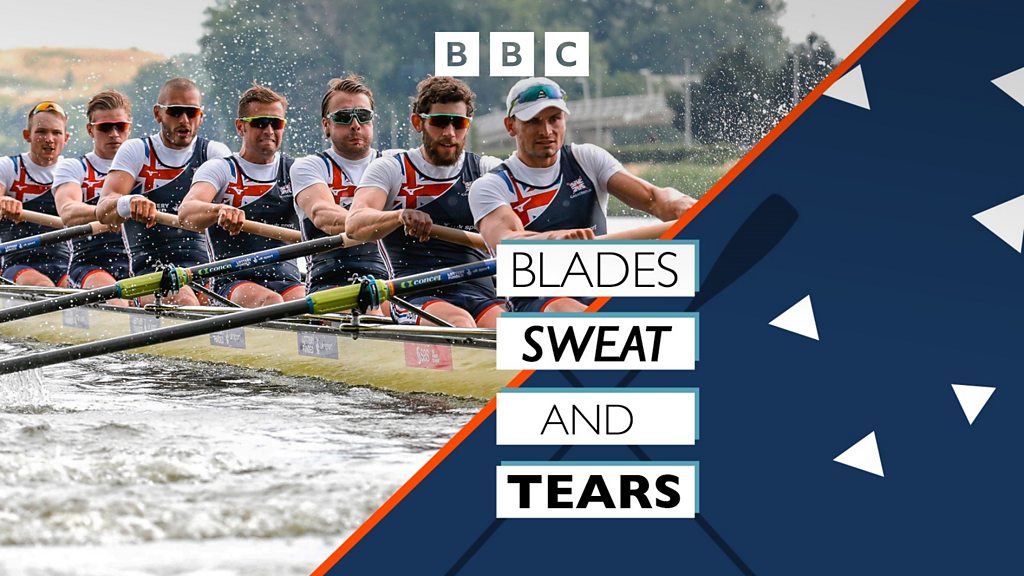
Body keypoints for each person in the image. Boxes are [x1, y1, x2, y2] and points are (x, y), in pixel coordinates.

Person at [469, 77, 697, 313]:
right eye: (534, 121)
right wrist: (554, 239)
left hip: (598, 287)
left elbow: (655, 199)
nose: (546, 131)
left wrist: (684, 206)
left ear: (564, 120)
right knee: (567, 307)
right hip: (539, 299)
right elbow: (507, 241)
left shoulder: (587, 159)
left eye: (554, 119)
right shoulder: (491, 186)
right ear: (510, 126)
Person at [347, 76, 504, 328]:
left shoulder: (486, 170)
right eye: (440, 122)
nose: (449, 133)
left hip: (481, 294)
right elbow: (354, 224)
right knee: (460, 323)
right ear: (417, 122)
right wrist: (399, 216)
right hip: (415, 295)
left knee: (507, 328)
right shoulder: (391, 169)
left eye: (459, 123)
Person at [96, 77, 231, 306]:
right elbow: (104, 210)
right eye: (175, 112)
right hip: (151, 271)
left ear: (201, 115)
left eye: (192, 112)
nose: (184, 120)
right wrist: (128, 202)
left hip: (204, 270)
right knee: (186, 300)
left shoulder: (215, 154)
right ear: (158, 114)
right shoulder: (136, 151)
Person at [178, 84, 303, 308]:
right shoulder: (220, 169)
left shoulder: (297, 171)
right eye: (260, 123)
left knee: (308, 303)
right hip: (231, 282)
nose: (269, 130)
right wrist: (219, 210)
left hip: (288, 281)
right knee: (272, 301)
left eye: (276, 123)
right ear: (240, 127)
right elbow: (186, 213)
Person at [289, 75, 388, 297]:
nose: (355, 125)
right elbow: (323, 215)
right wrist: (390, 222)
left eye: (363, 116)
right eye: (343, 117)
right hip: (330, 282)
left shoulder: (394, 163)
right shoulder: (309, 166)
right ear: (326, 125)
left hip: (391, 281)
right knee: (373, 309)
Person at [52, 90, 133, 305]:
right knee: (117, 302)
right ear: (90, 130)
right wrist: (109, 212)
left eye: (120, 126)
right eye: (105, 127)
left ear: (129, 127)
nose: (114, 134)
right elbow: (68, 211)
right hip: (91, 264)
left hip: (138, 262)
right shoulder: (74, 167)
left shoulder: (143, 167)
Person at [0, 101, 71, 286]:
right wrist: (4, 201)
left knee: (82, 290)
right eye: (41, 132)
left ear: (66, 138)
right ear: (27, 135)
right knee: (44, 286)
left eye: (56, 133)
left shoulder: (72, 171)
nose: (49, 139)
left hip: (64, 264)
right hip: (15, 262)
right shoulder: (8, 167)